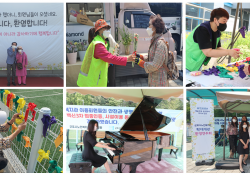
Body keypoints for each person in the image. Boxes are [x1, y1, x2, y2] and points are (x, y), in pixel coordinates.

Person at [77, 19, 136, 87]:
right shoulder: (98, 44)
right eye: (104, 28)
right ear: (99, 30)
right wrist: (127, 59)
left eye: (107, 28)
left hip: (92, 81)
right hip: (92, 83)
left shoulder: (99, 42)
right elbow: (110, 58)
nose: (107, 30)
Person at [135, 14, 169, 87]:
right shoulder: (155, 41)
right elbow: (153, 58)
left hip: (159, 82)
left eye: (149, 25)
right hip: (153, 80)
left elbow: (155, 65)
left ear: (155, 27)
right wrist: (140, 57)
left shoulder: (160, 43)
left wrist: (140, 62)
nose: (148, 27)